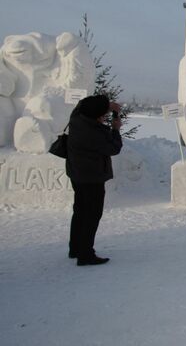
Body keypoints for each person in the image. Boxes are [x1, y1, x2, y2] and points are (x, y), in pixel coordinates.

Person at [65, 95, 122, 266]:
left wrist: (107, 105)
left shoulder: (76, 120)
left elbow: (81, 104)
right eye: (103, 112)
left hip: (76, 174)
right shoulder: (95, 132)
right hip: (92, 178)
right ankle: (86, 254)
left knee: (80, 211)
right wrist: (116, 129)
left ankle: (75, 248)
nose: (105, 115)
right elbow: (114, 148)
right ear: (96, 115)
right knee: (92, 215)